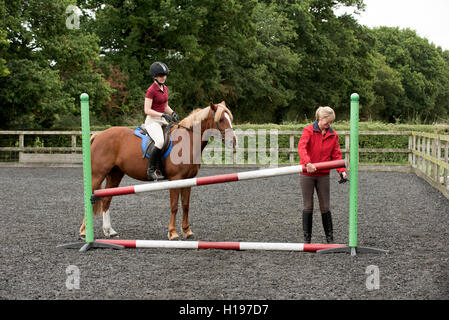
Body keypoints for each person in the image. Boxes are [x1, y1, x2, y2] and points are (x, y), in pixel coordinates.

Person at [297, 106, 347, 244]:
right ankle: (307, 240)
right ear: (321, 118)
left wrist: (341, 170)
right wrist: (307, 163)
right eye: (327, 122)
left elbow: (336, 154)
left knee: (325, 207)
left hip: (323, 175)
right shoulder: (308, 130)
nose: (329, 125)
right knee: (308, 206)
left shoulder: (333, 135)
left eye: (331, 122)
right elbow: (302, 147)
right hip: (307, 174)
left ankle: (329, 239)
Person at [144, 61, 179, 181]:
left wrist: (172, 113)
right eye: (160, 75)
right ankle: (151, 170)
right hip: (152, 121)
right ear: (154, 77)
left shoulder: (165, 89)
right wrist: (163, 115)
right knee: (159, 141)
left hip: (162, 121)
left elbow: (165, 106)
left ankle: (165, 167)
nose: (163, 77)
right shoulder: (151, 90)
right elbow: (147, 110)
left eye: (164, 75)